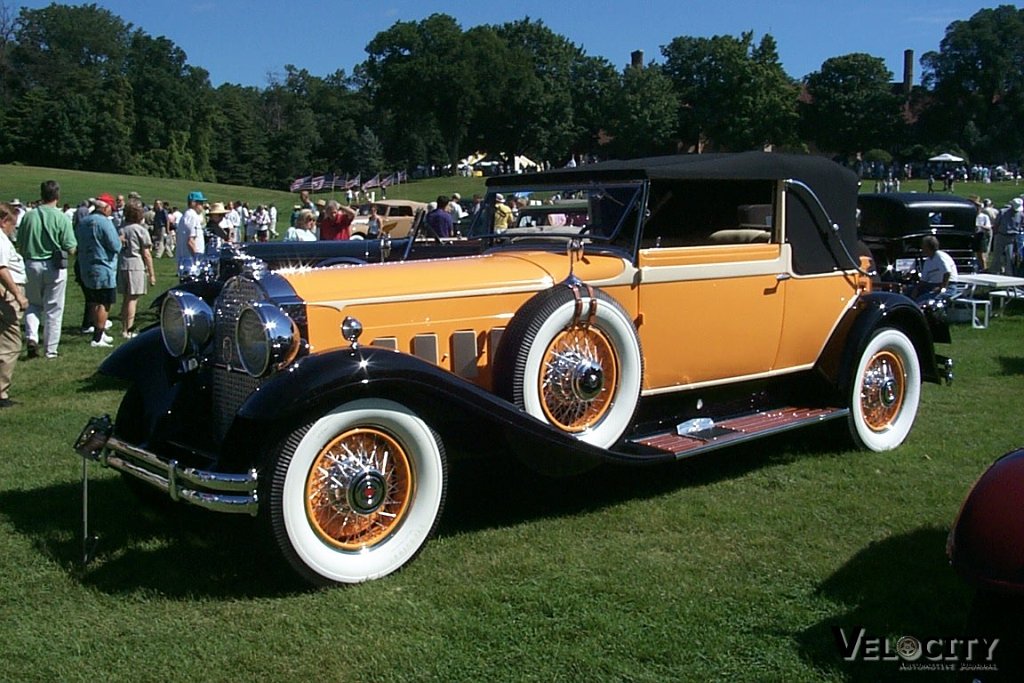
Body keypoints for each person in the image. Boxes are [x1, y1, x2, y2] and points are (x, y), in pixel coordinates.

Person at [17, 179, 77, 359]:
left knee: (32, 304)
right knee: (54, 308)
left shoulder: (29, 216)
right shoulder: (61, 218)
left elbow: (19, 242)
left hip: (30, 264)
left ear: (41, 194)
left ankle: (32, 336)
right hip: (54, 266)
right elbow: (71, 247)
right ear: (57, 195)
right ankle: (50, 350)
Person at [76, 193, 121, 348]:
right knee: (104, 302)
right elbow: (115, 245)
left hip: (85, 265)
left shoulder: (83, 222)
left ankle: (98, 330)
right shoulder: (105, 223)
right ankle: (98, 336)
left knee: (93, 300)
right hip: (103, 266)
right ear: (106, 207)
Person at [0, 202, 28, 407]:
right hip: (7, 292)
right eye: (13, 224)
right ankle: (1, 393)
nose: (13, 229)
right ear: (4, 221)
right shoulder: (1, 241)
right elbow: (1, 268)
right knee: (11, 343)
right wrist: (17, 294)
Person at [116, 200, 155, 338]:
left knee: (126, 299)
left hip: (122, 264)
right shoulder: (140, 230)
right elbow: (146, 253)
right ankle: (129, 329)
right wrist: (151, 274)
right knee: (133, 299)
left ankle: (123, 327)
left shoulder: (121, 228)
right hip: (135, 265)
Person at [912, 235, 958, 301]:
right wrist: (915, 290)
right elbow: (923, 280)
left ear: (928, 247)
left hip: (948, 286)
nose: (922, 249)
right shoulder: (928, 261)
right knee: (909, 291)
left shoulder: (939, 256)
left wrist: (942, 288)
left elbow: (947, 273)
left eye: (923, 246)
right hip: (932, 285)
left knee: (923, 299)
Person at [990, 197, 1023, 275]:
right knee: (997, 255)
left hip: (1012, 237)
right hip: (1001, 235)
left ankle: (1009, 273)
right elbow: (996, 224)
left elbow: (1021, 225)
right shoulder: (1002, 212)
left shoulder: (1021, 214)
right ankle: (995, 271)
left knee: (1010, 256)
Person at [176, 191, 207, 273]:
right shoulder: (192, 216)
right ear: (193, 203)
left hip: (186, 260)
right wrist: (198, 260)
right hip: (191, 261)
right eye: (200, 203)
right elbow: (191, 241)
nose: (202, 206)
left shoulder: (186, 216)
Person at [971, 196, 992, 272]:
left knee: (981, 255)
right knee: (973, 254)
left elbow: (988, 227)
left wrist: (980, 226)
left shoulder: (984, 217)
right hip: (973, 236)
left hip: (980, 235)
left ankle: (984, 269)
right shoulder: (972, 216)